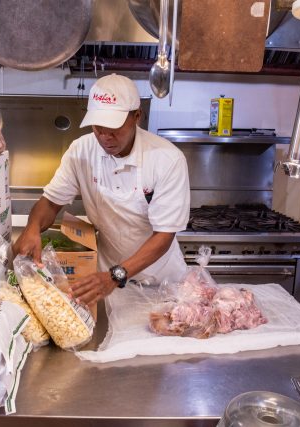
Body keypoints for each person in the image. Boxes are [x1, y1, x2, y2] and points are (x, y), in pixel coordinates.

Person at [13, 73, 189, 306]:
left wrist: (117, 275)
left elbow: (164, 235)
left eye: (114, 127)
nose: (105, 136)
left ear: (137, 116)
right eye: (98, 127)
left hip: (161, 282)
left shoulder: (167, 159)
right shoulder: (81, 151)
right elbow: (50, 202)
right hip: (107, 281)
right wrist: (32, 228)